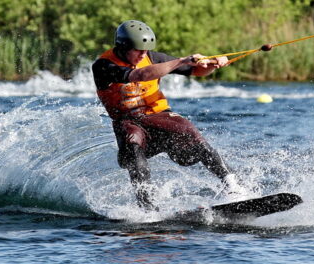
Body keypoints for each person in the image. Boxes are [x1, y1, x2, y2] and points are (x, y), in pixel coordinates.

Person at [92, 20, 248, 210]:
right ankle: (147, 206)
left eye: (146, 50)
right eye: (138, 50)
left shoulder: (153, 57)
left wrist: (212, 65)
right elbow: (139, 75)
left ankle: (233, 185)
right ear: (123, 47)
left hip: (159, 116)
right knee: (132, 144)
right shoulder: (103, 65)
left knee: (190, 132)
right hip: (129, 122)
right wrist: (181, 60)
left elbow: (195, 70)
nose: (143, 54)